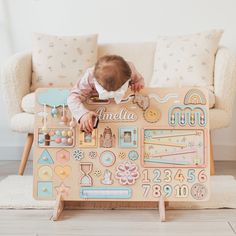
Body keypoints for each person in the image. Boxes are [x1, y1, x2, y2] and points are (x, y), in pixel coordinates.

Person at [67, 55, 144, 133]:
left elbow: (139, 79)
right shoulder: (89, 77)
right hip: (95, 103)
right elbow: (72, 97)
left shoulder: (130, 69)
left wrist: (138, 82)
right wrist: (83, 114)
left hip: (123, 106)